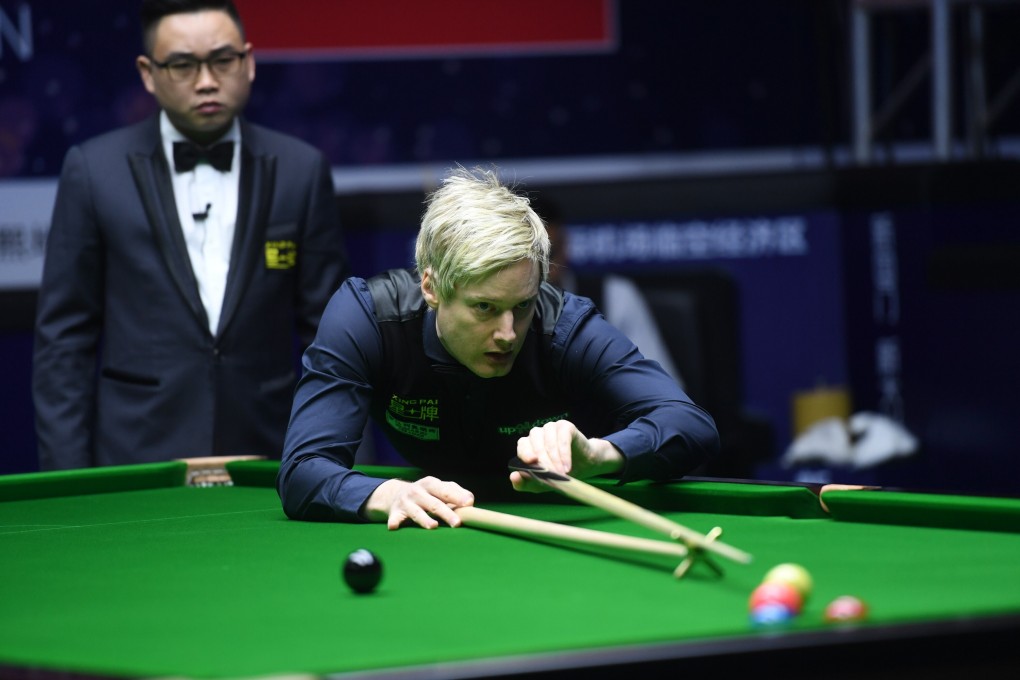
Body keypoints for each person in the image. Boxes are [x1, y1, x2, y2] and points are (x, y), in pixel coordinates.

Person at [277, 166, 719, 529]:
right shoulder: (369, 319)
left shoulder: (564, 326)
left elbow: (690, 424)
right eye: (485, 308)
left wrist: (597, 455)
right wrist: (385, 494)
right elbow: (303, 469)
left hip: (563, 517)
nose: (508, 333)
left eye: (522, 305)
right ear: (431, 287)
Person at [32, 0, 349, 470]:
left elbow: (333, 339)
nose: (205, 81)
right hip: (137, 457)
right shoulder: (94, 171)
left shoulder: (301, 170)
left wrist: (345, 470)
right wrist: (67, 483)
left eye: (222, 60)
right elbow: (64, 341)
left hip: (271, 456)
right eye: (182, 65)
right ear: (147, 73)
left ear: (249, 61)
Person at [535, 196, 686, 388]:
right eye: (531, 258)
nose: (540, 271)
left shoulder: (614, 295)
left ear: (565, 246)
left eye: (549, 256)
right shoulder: (504, 314)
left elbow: (661, 387)